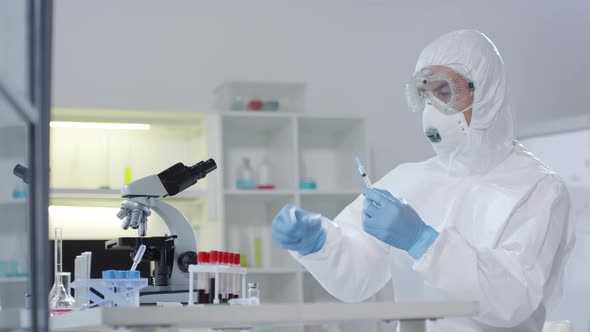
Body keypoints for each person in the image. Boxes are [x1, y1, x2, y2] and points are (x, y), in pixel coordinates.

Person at [271, 30, 575, 331]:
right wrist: (321, 243)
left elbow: (511, 299)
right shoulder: (408, 179)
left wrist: (423, 242)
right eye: (424, 96)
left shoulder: (538, 189)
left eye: (444, 94)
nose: (431, 111)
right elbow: (358, 281)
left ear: (486, 93)